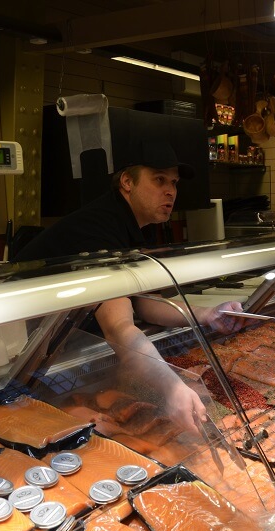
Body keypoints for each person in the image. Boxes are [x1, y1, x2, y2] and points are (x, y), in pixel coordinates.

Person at [13, 139, 248, 434]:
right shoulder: (99, 229)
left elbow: (144, 303)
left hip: (59, 348)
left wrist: (208, 314)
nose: (170, 191)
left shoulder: (130, 225)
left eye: (174, 183)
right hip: (25, 357)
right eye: (159, 180)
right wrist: (172, 387)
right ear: (127, 182)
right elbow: (119, 329)